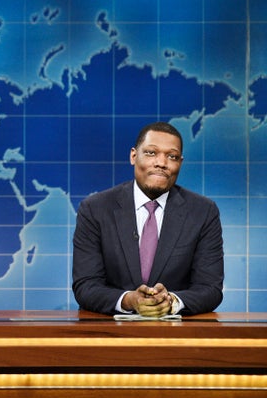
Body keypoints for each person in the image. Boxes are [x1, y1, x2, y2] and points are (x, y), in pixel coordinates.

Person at [72, 121, 224, 317]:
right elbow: (86, 286)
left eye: (172, 156)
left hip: (177, 337)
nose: (161, 162)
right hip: (109, 334)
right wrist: (129, 300)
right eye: (152, 153)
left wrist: (171, 302)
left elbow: (210, 288)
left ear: (180, 163)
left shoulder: (203, 212)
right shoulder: (95, 209)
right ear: (133, 156)